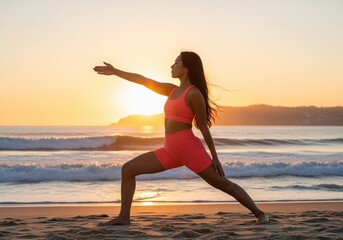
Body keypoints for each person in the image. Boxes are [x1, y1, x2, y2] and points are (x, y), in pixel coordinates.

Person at [93, 51, 269, 225]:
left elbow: (203, 127)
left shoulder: (194, 94)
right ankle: (124, 217)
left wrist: (215, 157)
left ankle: (260, 214)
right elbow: (144, 81)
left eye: (176, 62)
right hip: (169, 150)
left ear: (186, 68)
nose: (172, 65)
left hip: (189, 149)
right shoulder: (171, 90)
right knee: (128, 169)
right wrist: (116, 71)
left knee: (223, 184)